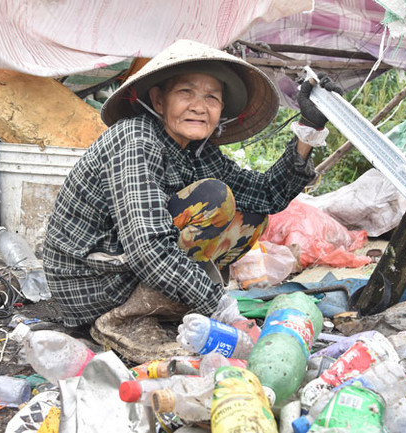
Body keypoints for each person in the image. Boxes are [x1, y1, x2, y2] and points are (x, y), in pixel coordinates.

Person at [42, 39, 340, 359]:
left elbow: (267, 194)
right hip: (93, 285)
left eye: (211, 97)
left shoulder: (200, 152)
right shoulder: (136, 139)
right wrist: (224, 309)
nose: (200, 106)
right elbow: (148, 249)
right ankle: (126, 318)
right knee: (212, 197)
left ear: (221, 109)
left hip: (130, 270)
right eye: (186, 92)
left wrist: (309, 128)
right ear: (159, 101)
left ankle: (172, 303)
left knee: (251, 215)